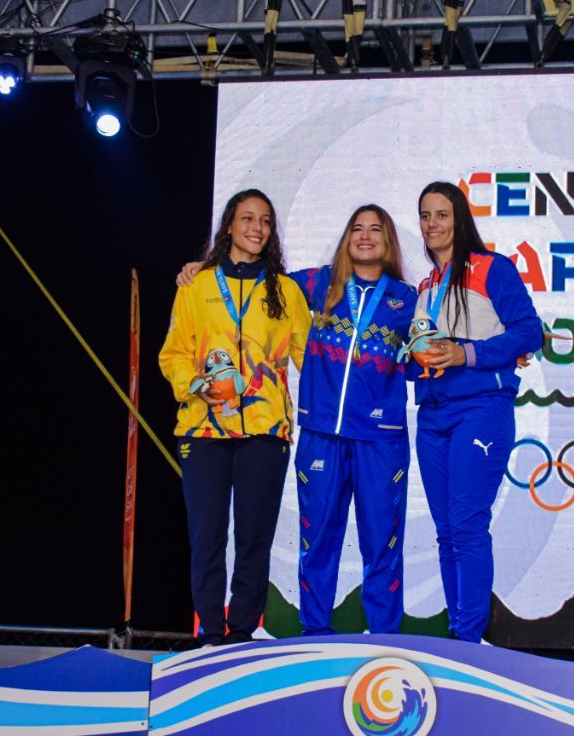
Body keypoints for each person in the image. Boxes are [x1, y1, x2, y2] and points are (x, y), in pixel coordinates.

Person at [179, 205, 418, 636]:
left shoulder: (409, 300)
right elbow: (253, 274)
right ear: (346, 238)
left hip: (381, 438)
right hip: (321, 434)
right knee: (318, 540)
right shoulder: (316, 284)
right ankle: (315, 633)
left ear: (389, 242)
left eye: (375, 230)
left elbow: (425, 356)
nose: (365, 237)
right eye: (356, 229)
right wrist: (205, 267)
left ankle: (385, 639)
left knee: (382, 542)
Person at [159, 188, 310, 646]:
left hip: (265, 430)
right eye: (247, 219)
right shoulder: (197, 286)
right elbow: (174, 354)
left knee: (254, 537)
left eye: (265, 221)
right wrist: (196, 384)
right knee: (207, 537)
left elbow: (311, 356)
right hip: (203, 427)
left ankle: (241, 631)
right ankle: (209, 630)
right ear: (228, 226)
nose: (257, 228)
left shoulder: (285, 291)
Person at [411, 181, 543, 643]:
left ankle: (468, 642)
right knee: (446, 532)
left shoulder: (492, 269)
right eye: (425, 215)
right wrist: (414, 359)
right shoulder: (424, 287)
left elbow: (530, 332)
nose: (433, 224)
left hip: (480, 409)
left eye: (442, 214)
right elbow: (420, 358)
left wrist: (465, 354)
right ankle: (457, 633)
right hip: (431, 416)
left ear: (459, 218)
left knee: (467, 525)